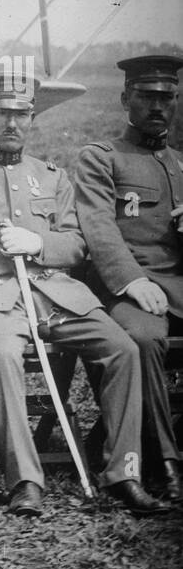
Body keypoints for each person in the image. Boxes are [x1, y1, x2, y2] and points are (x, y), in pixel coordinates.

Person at [0, 65, 169, 516]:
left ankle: (124, 473)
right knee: (3, 354)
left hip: (58, 297)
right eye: (3, 113)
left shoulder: (51, 176)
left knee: (123, 349)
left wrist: (38, 243)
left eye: (23, 114)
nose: (13, 124)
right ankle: (25, 479)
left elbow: (78, 245)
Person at [75, 54, 183, 504]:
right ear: (125, 99)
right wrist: (132, 281)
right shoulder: (102, 158)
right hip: (128, 287)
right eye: (147, 97)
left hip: (176, 283)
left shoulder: (180, 162)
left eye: (167, 98)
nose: (158, 107)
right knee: (141, 340)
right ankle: (166, 461)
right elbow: (99, 228)